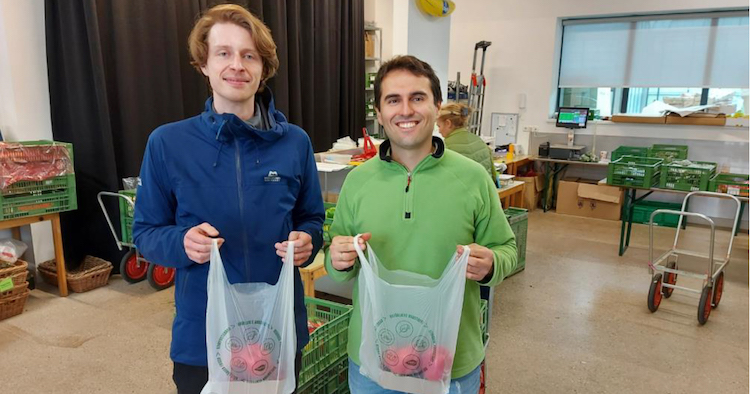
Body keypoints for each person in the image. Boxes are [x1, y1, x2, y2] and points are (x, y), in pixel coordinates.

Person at [132, 4, 324, 393]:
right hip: (202, 336)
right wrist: (182, 242)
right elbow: (146, 234)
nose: (236, 65)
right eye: (223, 53)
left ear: (263, 67)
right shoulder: (168, 143)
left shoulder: (295, 143)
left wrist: (307, 241)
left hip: (277, 328)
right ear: (203, 63)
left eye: (248, 55)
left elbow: (312, 220)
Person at [324, 55, 517, 393]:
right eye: (393, 100)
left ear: (437, 105)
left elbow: (507, 249)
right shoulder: (357, 182)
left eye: (417, 98)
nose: (406, 110)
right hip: (374, 362)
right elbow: (337, 260)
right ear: (380, 113)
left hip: (451, 363)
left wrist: (491, 264)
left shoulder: (471, 178)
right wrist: (337, 259)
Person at [437, 102, 499, 185]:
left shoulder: (446, 147)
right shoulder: (480, 142)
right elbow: (494, 176)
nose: (439, 131)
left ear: (448, 123)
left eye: (439, 126)